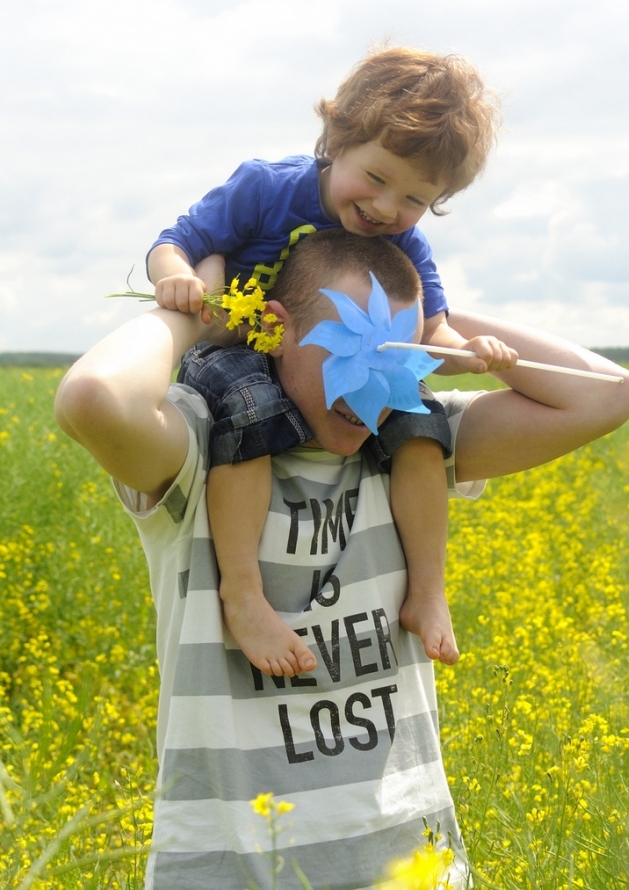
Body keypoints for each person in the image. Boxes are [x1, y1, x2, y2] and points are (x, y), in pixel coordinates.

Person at [55, 230, 629, 889]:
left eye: (399, 359)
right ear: (276, 329)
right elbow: (92, 399)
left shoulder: (411, 449)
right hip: (232, 870)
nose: (376, 389)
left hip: (412, 864)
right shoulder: (201, 447)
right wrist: (194, 310)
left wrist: (437, 325)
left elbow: (609, 393)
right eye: (356, 350)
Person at [146, 46, 517, 678]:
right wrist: (178, 279)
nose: (386, 208)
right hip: (236, 352)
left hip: (346, 367)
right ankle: (243, 591)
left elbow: (432, 332)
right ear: (338, 135)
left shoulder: (405, 240)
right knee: (249, 407)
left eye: (413, 198)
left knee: (420, 421)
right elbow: (175, 242)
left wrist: (471, 354)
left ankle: (427, 589)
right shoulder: (267, 187)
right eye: (376, 178)